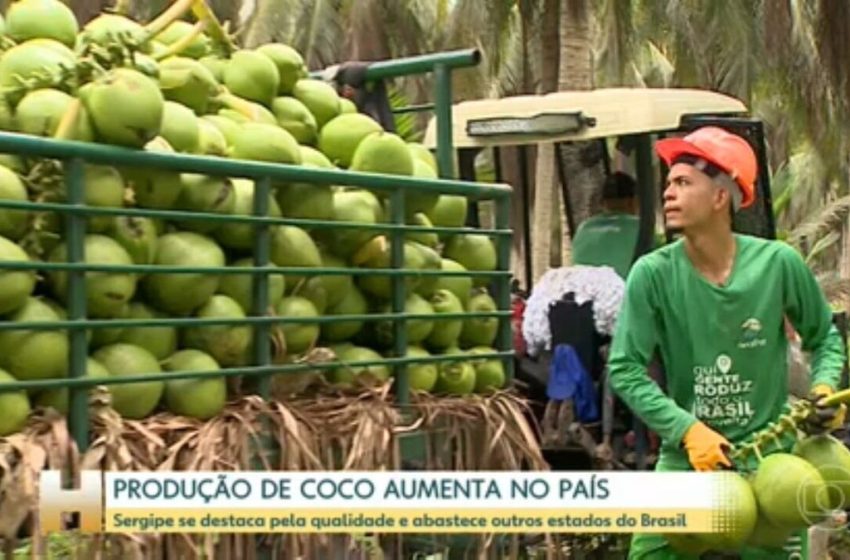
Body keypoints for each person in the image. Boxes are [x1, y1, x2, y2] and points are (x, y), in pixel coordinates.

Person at [605, 126, 847, 559]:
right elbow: (624, 368)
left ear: (721, 197)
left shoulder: (778, 264)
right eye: (667, 184)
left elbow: (824, 338)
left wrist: (824, 389)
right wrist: (689, 431)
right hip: (687, 464)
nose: (668, 194)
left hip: (768, 472)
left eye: (683, 183)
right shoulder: (652, 274)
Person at [571, 172, 641, 280]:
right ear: (632, 201)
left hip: (585, 294)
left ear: (603, 202)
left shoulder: (583, 228)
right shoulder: (642, 228)